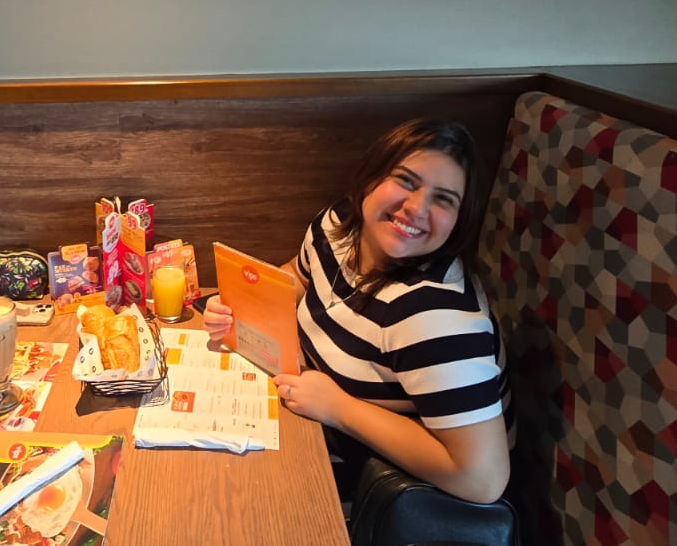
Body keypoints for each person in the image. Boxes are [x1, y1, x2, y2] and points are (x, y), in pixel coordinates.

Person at [203, 119, 510, 505]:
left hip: (385, 488)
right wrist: (242, 304)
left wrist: (339, 408)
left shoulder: (433, 316)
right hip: (311, 411)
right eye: (406, 181)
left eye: (444, 199)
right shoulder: (340, 225)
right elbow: (300, 276)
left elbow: (482, 478)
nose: (417, 208)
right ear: (371, 178)